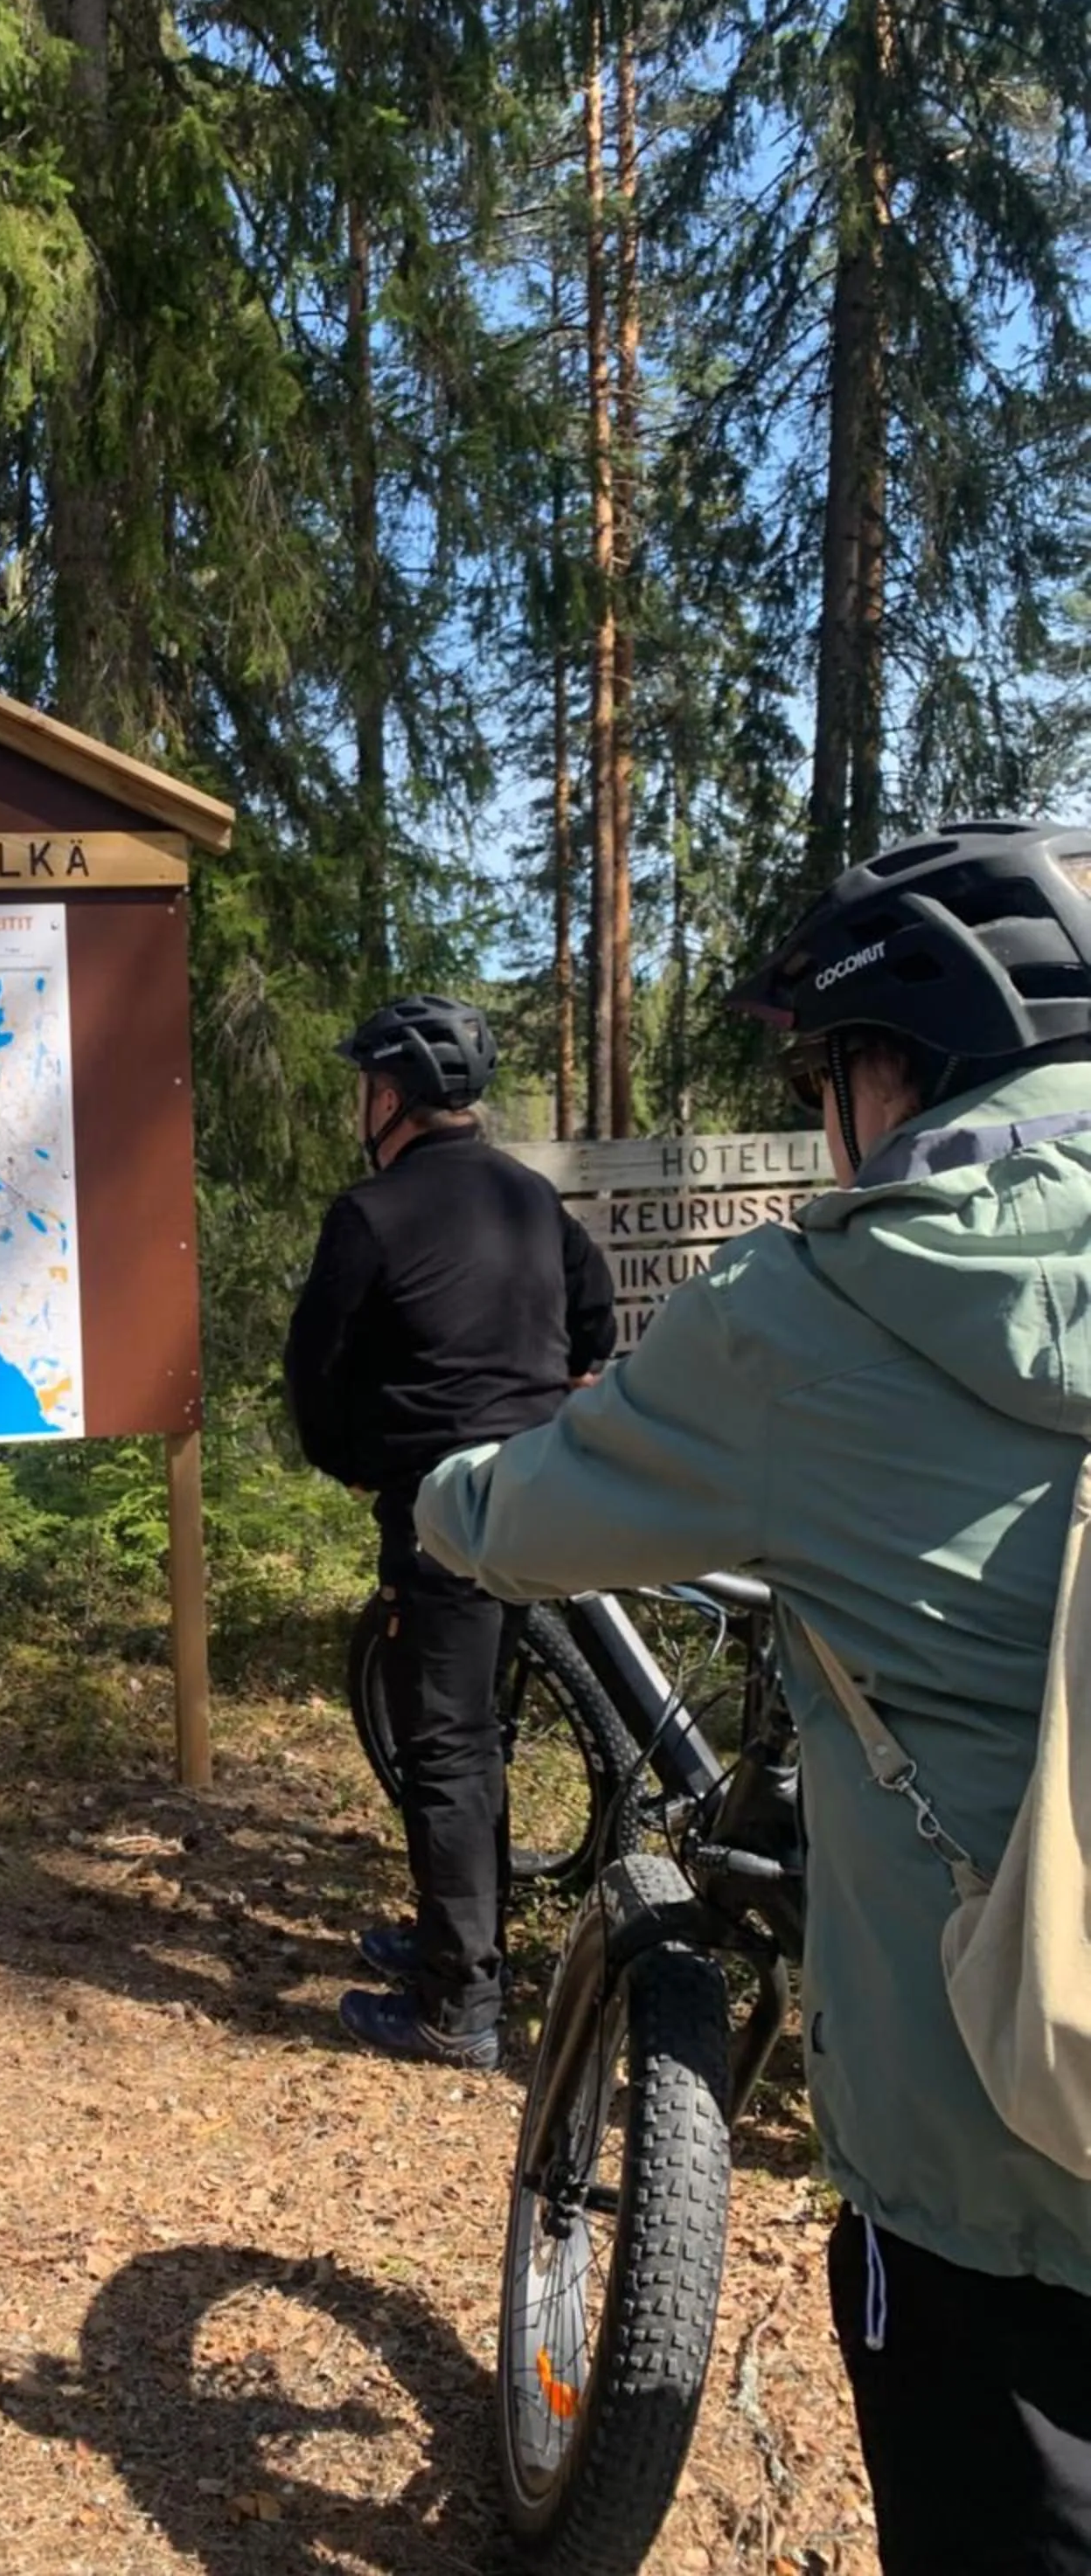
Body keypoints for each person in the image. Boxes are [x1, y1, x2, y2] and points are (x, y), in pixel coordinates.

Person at [414, 821, 1091, 2575]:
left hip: (1011, 2180)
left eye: (824, 1069)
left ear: (898, 1063)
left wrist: (443, 1491)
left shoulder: (825, 1302)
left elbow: (524, 1515)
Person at [282, 997, 617, 2067]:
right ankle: (452, 1939)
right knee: (484, 1730)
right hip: (545, 1494)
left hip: (443, 1514)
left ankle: (459, 2005)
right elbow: (595, 1317)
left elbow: (314, 1371)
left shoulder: (370, 1214)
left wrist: (351, 1463)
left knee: (449, 1749)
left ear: (388, 1098)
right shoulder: (530, 1197)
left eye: (362, 1091)